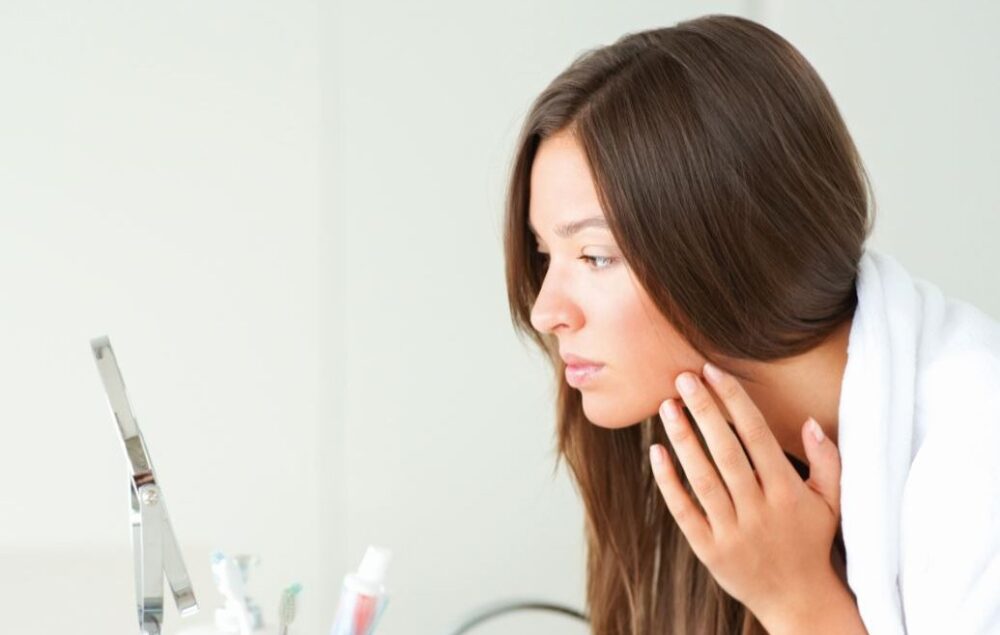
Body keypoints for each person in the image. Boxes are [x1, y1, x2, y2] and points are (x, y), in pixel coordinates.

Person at [502, 14, 1000, 635]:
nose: (545, 311)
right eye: (545, 255)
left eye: (596, 257)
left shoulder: (977, 458)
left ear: (732, 248)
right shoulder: (708, 459)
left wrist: (797, 600)